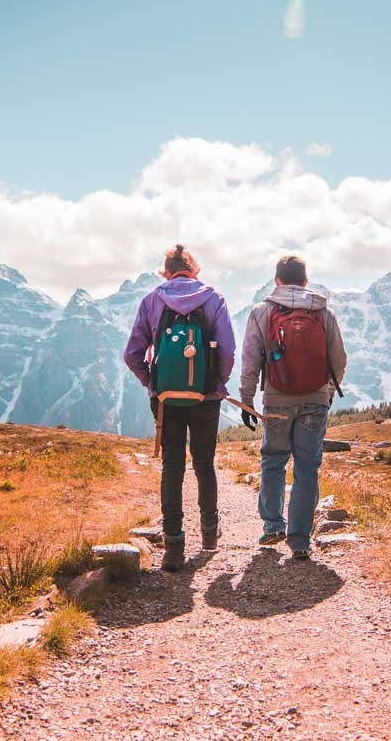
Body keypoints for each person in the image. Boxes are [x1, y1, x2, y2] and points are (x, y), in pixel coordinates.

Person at [124, 245, 236, 572]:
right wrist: (215, 382)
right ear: (194, 270)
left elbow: (132, 354)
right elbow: (227, 350)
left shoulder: (152, 301)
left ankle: (173, 546)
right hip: (207, 398)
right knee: (204, 463)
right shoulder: (214, 299)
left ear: (167, 271)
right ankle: (210, 535)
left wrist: (152, 384)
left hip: (166, 400)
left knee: (172, 466)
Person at [238, 255, 347, 559]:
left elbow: (251, 360)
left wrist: (247, 399)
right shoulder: (324, 313)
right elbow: (339, 360)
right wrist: (325, 394)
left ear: (277, 281)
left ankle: (273, 525)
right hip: (314, 400)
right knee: (307, 467)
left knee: (273, 460)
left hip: (276, 401)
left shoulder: (263, 311)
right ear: (305, 281)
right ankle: (300, 541)